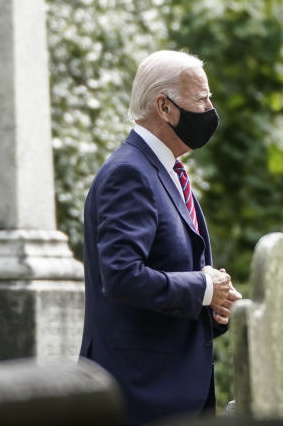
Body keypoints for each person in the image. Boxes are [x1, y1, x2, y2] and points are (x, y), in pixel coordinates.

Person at [79, 50, 241, 425]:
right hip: (141, 394)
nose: (210, 110)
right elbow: (121, 276)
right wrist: (202, 287)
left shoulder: (167, 171)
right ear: (164, 107)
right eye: (201, 99)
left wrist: (214, 308)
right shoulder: (129, 173)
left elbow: (171, 274)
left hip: (176, 391)